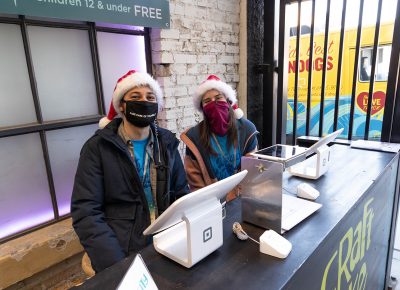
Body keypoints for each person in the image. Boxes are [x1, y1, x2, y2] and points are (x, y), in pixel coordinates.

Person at [71, 70, 189, 273]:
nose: (144, 101)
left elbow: (181, 194)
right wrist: (117, 266)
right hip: (122, 250)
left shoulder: (167, 143)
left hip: (166, 244)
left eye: (150, 97)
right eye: (135, 97)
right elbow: (87, 212)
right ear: (122, 106)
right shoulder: (97, 148)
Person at [181, 75, 258, 201]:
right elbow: (195, 183)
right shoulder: (194, 138)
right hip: (211, 204)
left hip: (243, 199)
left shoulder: (247, 130)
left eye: (218, 98)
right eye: (207, 101)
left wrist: (234, 195)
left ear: (228, 101)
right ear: (203, 109)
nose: (214, 103)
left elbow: (251, 170)